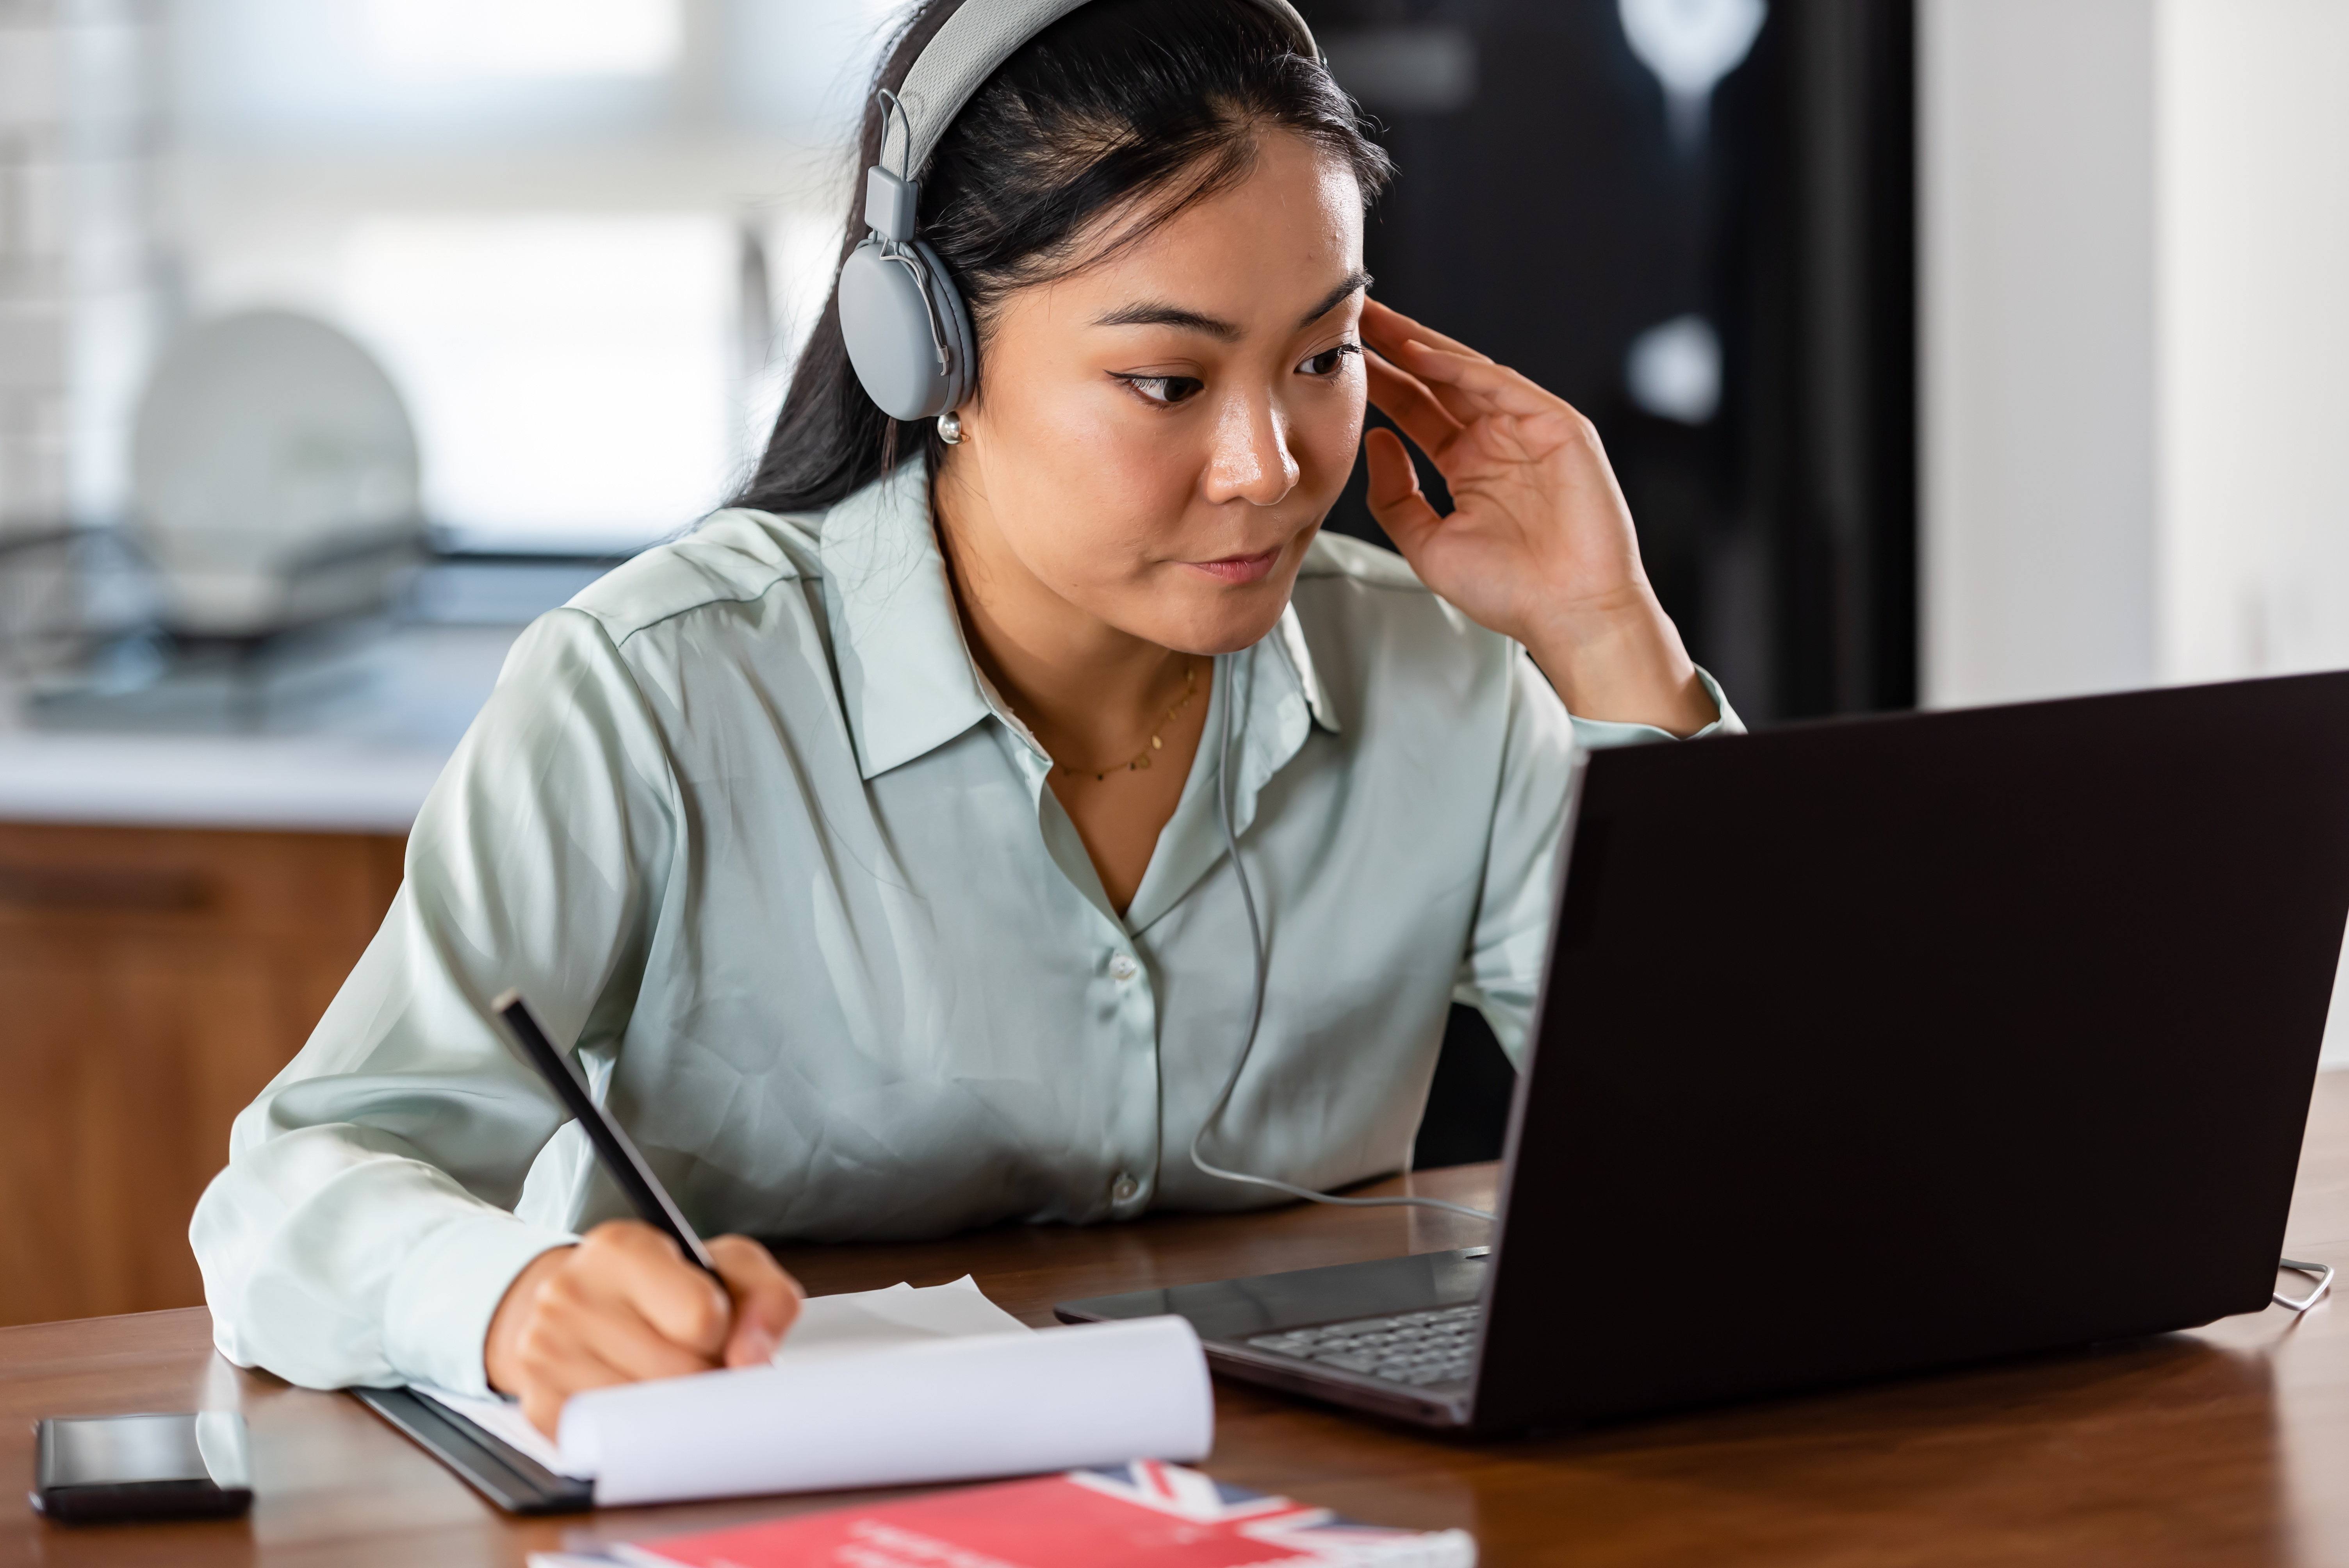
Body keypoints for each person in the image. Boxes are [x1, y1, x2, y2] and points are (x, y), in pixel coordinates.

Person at [191, 0, 1738, 1438]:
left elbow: (1746, 1153)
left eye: (1321, 356)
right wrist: (513, 1299)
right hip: (792, 1485)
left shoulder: (1444, 678)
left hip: (1304, 1490)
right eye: (1165, 382)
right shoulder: (656, 689)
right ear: (929, 351)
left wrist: (1605, 634)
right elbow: (296, 1185)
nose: (1268, 463)